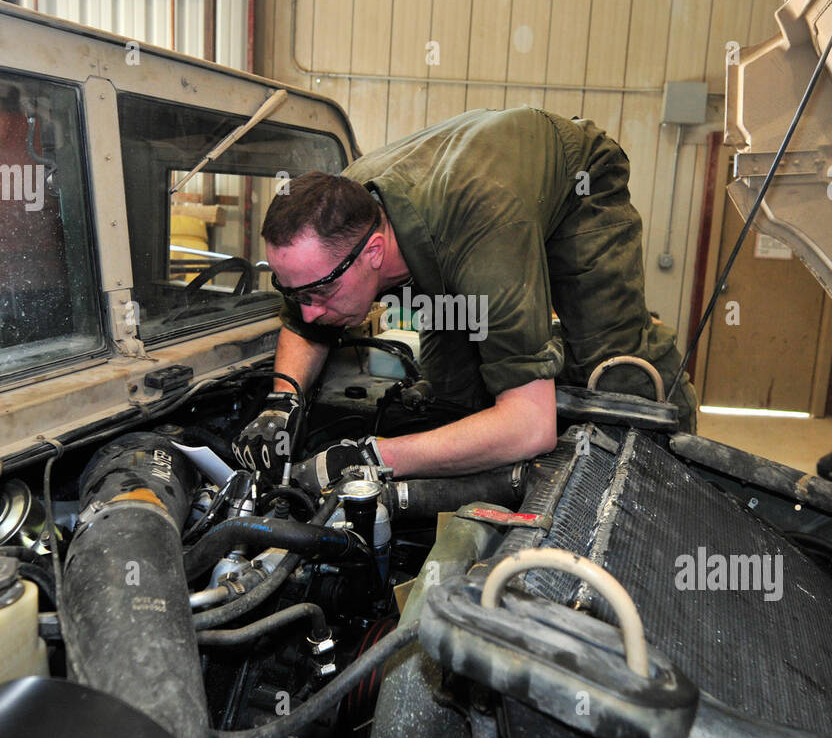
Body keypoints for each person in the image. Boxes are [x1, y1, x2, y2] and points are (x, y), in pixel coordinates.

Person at [233, 106, 697, 490]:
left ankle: (674, 477)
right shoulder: (335, 222)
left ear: (373, 251)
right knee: (451, 396)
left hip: (576, 180)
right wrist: (283, 401)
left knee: (612, 374)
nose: (309, 308)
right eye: (292, 290)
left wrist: (372, 456)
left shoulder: (484, 234)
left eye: (320, 291)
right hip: (457, 209)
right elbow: (301, 321)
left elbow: (532, 426)